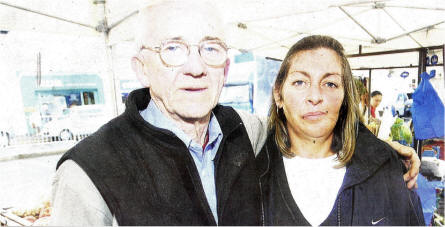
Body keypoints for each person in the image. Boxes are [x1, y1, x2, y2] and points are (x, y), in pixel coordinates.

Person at [49, 2, 420, 225]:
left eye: (210, 49)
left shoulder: (243, 131)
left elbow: (314, 124)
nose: (196, 67)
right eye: (173, 49)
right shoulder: (89, 172)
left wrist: (380, 150)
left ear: (226, 68)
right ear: (141, 67)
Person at [256, 35, 424, 226]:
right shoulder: (250, 174)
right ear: (278, 94)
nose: (315, 96)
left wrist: (381, 153)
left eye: (330, 84)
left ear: (345, 97)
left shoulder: (386, 168)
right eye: (300, 82)